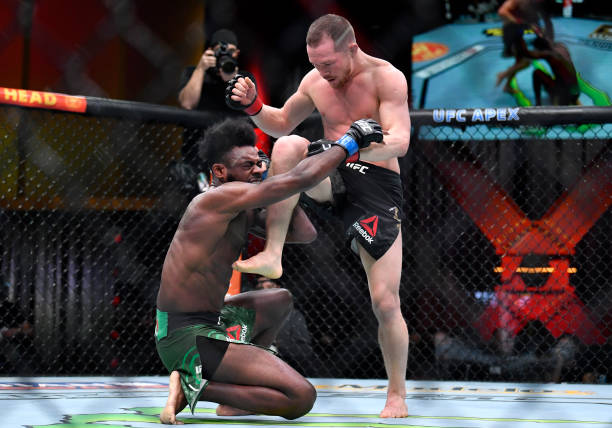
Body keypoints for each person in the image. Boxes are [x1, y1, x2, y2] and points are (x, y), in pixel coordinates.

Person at [227, 14, 411, 417]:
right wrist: (254, 105)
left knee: (384, 300)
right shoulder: (315, 81)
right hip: (331, 172)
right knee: (290, 145)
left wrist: (355, 147)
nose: (322, 73)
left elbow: (399, 142)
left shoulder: (387, 78)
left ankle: (396, 393)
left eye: (328, 64)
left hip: (375, 187)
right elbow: (278, 124)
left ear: (351, 47)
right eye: (315, 64)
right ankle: (273, 252)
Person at [155, 116, 380, 424]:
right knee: (301, 397)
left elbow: (304, 233)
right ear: (220, 172)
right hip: (187, 337)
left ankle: (236, 398)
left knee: (279, 299)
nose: (259, 169)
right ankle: (194, 384)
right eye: (247, 165)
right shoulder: (214, 200)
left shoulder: (242, 210)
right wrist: (350, 140)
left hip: (210, 321)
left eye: (260, 161)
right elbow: (297, 181)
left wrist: (283, 193)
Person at [178, 29, 257, 176]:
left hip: (234, 156)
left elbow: (252, 109)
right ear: (210, 52)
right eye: (221, 50)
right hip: (197, 154)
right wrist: (201, 69)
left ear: (237, 54)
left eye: (231, 51)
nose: (226, 55)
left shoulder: (244, 78)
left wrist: (232, 80)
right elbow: (187, 103)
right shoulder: (193, 73)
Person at [254, 277, 315, 374]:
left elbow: (305, 351)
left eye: (268, 286)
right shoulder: (248, 313)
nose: (263, 289)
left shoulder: (293, 316)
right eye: (260, 287)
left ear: (277, 288)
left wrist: (277, 347)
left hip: (282, 368)